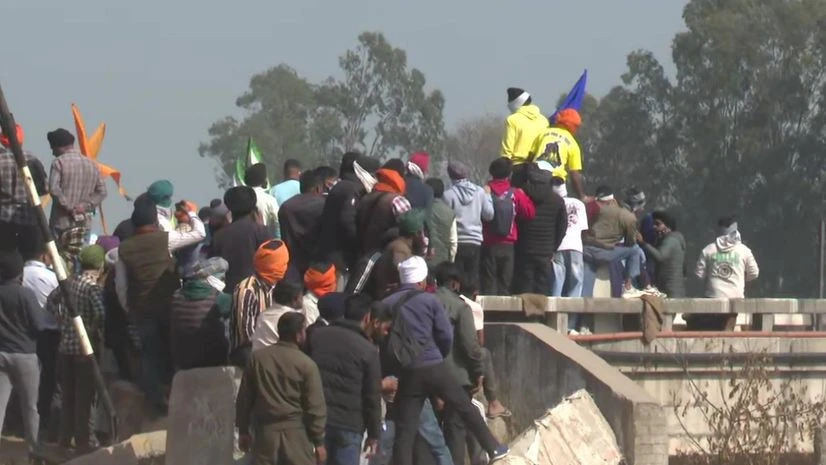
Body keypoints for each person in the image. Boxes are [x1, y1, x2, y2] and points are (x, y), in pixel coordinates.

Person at [382, 256, 509, 465]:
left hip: (407, 371)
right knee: (464, 406)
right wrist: (438, 355)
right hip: (434, 366)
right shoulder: (430, 301)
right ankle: (493, 447)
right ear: (422, 281)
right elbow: (445, 336)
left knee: (407, 426)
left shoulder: (388, 303)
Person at [115, 195, 205, 414]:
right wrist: (191, 212)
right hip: (169, 306)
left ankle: (156, 400)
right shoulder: (165, 239)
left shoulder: (124, 249)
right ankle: (175, 397)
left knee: (149, 355)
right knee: (173, 351)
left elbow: (121, 287)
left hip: (142, 311)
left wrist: (131, 309)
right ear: (155, 222)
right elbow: (199, 233)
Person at [236, 312, 327, 465]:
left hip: (265, 437)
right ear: (299, 335)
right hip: (297, 439)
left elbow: (245, 398)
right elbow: (315, 407)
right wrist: (318, 442)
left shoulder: (257, 359)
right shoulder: (306, 364)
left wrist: (243, 430)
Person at [308, 293, 384, 465]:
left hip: (317, 421)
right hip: (349, 425)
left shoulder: (317, 336)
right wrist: (373, 435)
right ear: (367, 318)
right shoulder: (368, 350)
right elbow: (372, 397)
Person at [52, 245, 105, 455]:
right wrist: (91, 330)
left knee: (68, 398)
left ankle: (63, 441)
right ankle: (84, 443)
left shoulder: (69, 281)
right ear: (100, 265)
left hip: (65, 347)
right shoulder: (92, 287)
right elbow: (101, 314)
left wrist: (62, 321)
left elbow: (50, 301)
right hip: (85, 351)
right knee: (84, 399)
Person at [432, 263, 485, 465]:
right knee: (456, 431)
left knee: (431, 430)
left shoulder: (427, 303)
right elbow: (471, 346)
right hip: (457, 379)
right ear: (455, 284)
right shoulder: (461, 308)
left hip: (429, 377)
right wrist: (478, 371)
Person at [0, 250, 48, 454]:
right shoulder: (25, 294)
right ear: (20, 273)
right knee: (30, 407)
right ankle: (33, 450)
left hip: (2, 353)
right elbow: (39, 324)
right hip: (25, 355)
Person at [316, 153, 380, 285]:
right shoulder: (352, 189)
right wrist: (360, 243)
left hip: (329, 255)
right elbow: (347, 221)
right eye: (372, 175)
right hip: (340, 260)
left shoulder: (343, 186)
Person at [229, 239, 289, 366]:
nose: (285, 267)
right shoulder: (246, 291)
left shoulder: (278, 287)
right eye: (283, 264)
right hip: (248, 355)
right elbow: (245, 334)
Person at [481, 157, 535, 296]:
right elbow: (529, 213)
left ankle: (489, 314)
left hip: (489, 242)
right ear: (509, 174)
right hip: (508, 243)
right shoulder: (515, 193)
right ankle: (503, 314)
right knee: (505, 282)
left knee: (489, 281)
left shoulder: (485, 191)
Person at [693, 217, 760, 331]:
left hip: (713, 296)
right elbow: (754, 273)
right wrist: (742, 279)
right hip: (735, 297)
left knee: (711, 330)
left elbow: (699, 274)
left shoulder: (708, 250)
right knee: (728, 331)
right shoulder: (744, 251)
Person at [582, 186, 647, 299]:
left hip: (586, 250)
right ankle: (628, 287)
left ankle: (577, 315)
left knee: (585, 293)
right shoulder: (630, 218)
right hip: (603, 252)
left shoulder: (604, 208)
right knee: (635, 250)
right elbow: (630, 243)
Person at [513, 162, 567, 295]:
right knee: (542, 288)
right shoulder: (557, 201)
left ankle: (523, 315)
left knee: (524, 287)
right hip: (546, 250)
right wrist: (553, 247)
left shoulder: (521, 196)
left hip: (524, 249)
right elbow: (562, 228)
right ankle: (539, 315)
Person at [169, 257, 231, 370]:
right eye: (222, 277)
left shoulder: (176, 295)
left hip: (181, 356)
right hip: (211, 357)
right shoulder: (220, 299)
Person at [47, 128, 107, 241]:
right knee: (81, 256)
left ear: (58, 146)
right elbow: (102, 191)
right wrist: (84, 206)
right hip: (84, 224)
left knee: (60, 256)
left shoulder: (59, 163)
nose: (52, 153)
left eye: (53, 148)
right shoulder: (93, 164)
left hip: (61, 223)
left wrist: (69, 208)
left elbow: (54, 189)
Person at [211, 186, 273, 292]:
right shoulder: (262, 231)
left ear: (228, 206)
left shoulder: (219, 236)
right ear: (253, 204)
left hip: (231, 293)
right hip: (258, 292)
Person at [443, 161, 494, 289]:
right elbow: (489, 215)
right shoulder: (480, 192)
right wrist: (488, 196)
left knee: (457, 278)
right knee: (473, 277)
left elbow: (446, 220)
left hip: (458, 241)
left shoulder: (448, 195)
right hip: (475, 241)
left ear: (450, 175)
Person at [0, 123, 48, 256]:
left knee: (5, 260)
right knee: (28, 259)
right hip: (29, 218)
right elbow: (45, 188)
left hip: (3, 219)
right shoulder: (32, 158)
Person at [279, 170, 327, 284]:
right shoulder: (325, 206)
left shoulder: (286, 206)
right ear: (318, 188)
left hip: (291, 266)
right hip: (317, 268)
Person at [367, 210, 426, 300]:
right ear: (417, 234)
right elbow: (398, 270)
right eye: (423, 232)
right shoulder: (399, 250)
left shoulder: (400, 247)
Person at [529, 109, 586, 199]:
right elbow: (574, 174)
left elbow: (530, 157)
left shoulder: (543, 133)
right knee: (562, 209)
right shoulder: (573, 144)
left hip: (535, 179)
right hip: (556, 182)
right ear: (574, 126)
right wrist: (581, 196)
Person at [357, 166, 412, 257]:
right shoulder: (397, 200)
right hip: (385, 255)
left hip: (362, 252)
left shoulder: (365, 198)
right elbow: (411, 226)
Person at [501, 87, 549, 182]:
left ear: (515, 102)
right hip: (540, 169)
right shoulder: (544, 120)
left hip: (518, 168)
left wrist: (503, 172)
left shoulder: (512, 119)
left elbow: (507, 151)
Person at [636, 211, 686, 298]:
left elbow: (660, 256)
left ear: (668, 226)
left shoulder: (670, 241)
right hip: (667, 287)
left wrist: (643, 243)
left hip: (670, 290)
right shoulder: (669, 240)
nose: (654, 227)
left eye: (658, 224)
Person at [251, 279, 303, 351]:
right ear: (295, 300)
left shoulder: (263, 315)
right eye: (301, 296)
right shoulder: (292, 319)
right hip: (280, 359)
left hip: (258, 359)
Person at [424, 179, 458, 267]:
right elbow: (453, 242)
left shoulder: (421, 209)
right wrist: (451, 261)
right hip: (442, 260)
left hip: (423, 258)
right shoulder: (450, 212)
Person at [245, 163, 281, 237]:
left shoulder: (241, 198)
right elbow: (279, 222)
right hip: (263, 240)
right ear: (263, 180)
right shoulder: (269, 199)